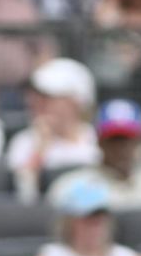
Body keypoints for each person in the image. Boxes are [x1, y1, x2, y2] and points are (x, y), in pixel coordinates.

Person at [46, 98, 141, 209]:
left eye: (127, 140)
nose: (121, 148)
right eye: (114, 140)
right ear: (99, 141)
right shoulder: (70, 188)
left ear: (139, 142)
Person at [5, 57, 100, 202]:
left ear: (75, 102)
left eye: (49, 97)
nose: (37, 103)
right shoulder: (24, 142)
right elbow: (23, 197)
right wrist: (40, 149)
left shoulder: (98, 140)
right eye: (36, 96)